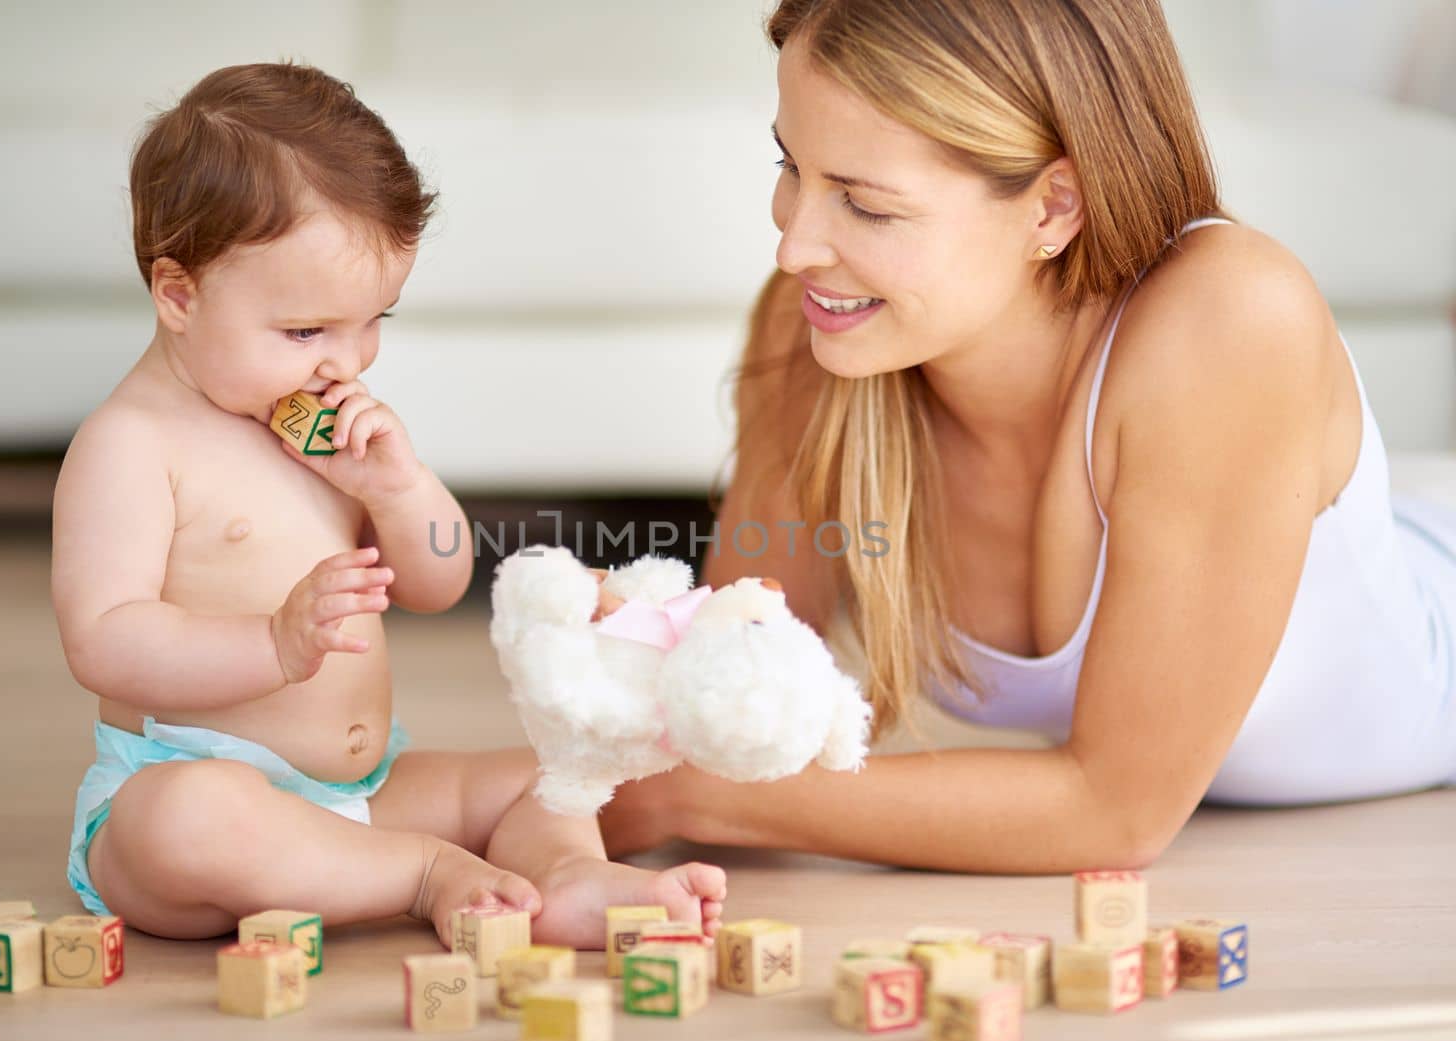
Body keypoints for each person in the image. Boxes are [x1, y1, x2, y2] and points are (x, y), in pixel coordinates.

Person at [601, 0, 1456, 872]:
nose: (794, 246)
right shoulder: (823, 328)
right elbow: (732, 697)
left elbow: (1115, 813)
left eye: (866, 205)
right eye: (792, 166)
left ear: (1053, 206)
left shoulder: (1229, 321)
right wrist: (621, 650)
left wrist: (693, 794)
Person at [50, 62, 724, 941]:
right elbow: (104, 638)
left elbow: (438, 581)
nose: (348, 361)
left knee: (542, 775)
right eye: (305, 331)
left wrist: (399, 490)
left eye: (374, 321)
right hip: (200, 783)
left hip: (363, 791)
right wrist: (271, 642)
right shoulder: (130, 444)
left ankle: (570, 878)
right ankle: (423, 875)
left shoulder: (323, 424)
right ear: (179, 294)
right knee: (187, 819)